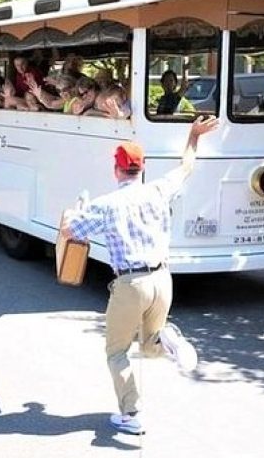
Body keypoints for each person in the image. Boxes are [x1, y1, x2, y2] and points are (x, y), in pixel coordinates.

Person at [60, 115, 219, 436]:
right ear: (142, 168)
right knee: (148, 346)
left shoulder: (106, 205)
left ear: (116, 170)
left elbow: (70, 231)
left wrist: (77, 209)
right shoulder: (159, 190)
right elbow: (187, 167)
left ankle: (131, 413)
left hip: (131, 283)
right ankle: (167, 339)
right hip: (163, 279)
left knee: (117, 351)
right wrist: (193, 135)